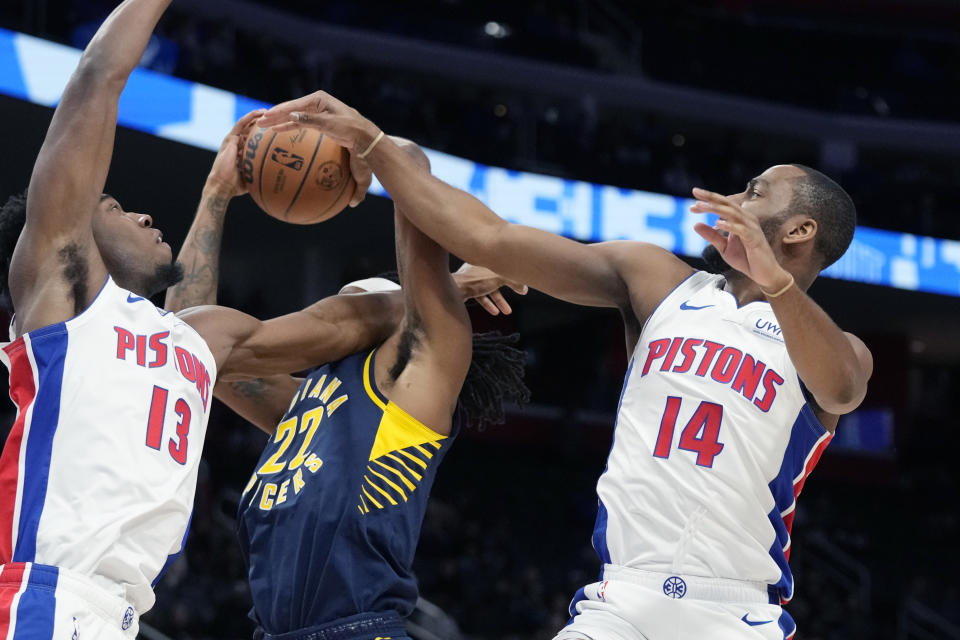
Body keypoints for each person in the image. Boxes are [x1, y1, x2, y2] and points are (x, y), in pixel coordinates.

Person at [256, 92, 874, 639]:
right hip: (623, 599)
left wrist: (779, 288)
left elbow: (842, 389)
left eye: (755, 192)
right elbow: (488, 238)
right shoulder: (660, 282)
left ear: (799, 230)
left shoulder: (834, 346)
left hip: (736, 611)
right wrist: (375, 142)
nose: (735, 198)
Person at [0, 4, 513, 637]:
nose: (140, 215)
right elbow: (98, 75)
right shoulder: (67, 304)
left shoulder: (198, 348)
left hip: (129, 611)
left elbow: (317, 323)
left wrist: (439, 269)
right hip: (52, 592)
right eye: (114, 206)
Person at [163, 137, 529, 639]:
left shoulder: (415, 385)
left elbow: (413, 183)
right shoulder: (302, 405)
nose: (340, 305)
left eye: (358, 304)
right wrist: (216, 192)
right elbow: (187, 336)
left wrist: (374, 146)